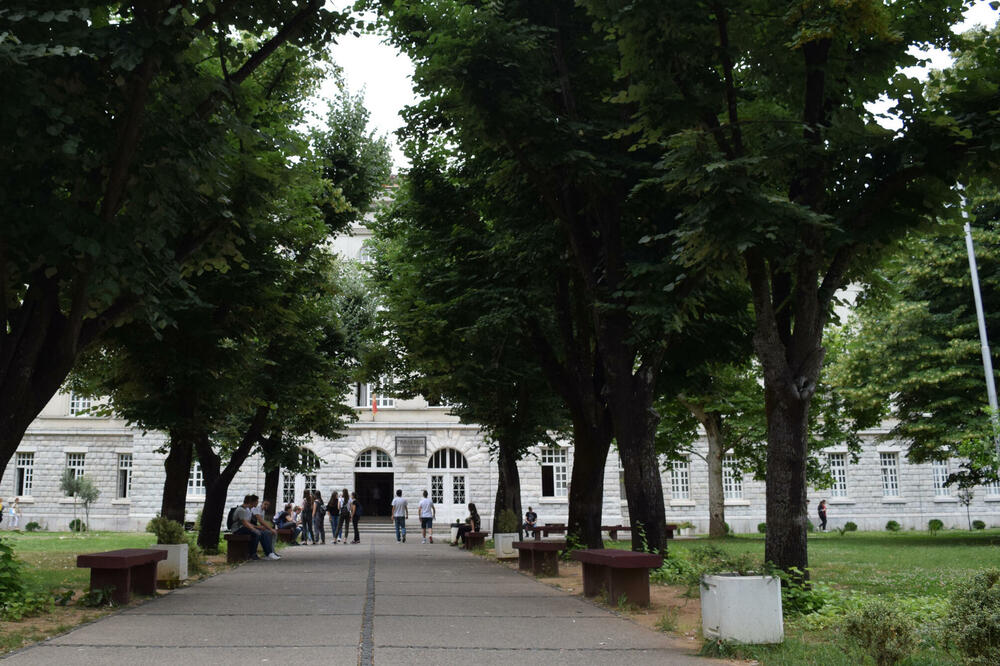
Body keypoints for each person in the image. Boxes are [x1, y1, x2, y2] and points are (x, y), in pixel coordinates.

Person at [232, 495, 279, 560]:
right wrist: (255, 529)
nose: (257, 503)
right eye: (257, 501)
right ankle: (253, 554)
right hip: (237, 530)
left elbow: (248, 523)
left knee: (264, 532)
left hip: (243, 528)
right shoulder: (242, 510)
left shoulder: (247, 510)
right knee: (257, 533)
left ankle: (269, 553)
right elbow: (245, 523)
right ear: (252, 502)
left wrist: (257, 527)